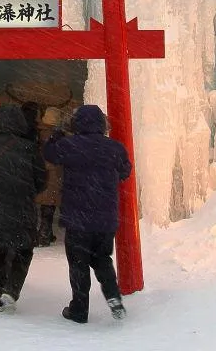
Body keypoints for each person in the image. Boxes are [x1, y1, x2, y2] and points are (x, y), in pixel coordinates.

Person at [44, 104, 131, 323]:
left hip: (77, 219)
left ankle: (79, 309)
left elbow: (49, 154)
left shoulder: (70, 145)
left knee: (78, 264)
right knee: (102, 259)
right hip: (105, 219)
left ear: (77, 123)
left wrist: (57, 132)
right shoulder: (115, 148)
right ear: (102, 124)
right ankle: (114, 297)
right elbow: (125, 171)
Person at [0, 104, 46, 312]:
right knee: (24, 249)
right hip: (22, 207)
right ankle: (12, 289)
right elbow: (41, 179)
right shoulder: (30, 148)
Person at [34, 106, 64, 246]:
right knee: (48, 207)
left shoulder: (39, 134)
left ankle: (45, 233)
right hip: (53, 173)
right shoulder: (57, 136)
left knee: (44, 205)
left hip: (41, 171)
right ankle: (44, 234)